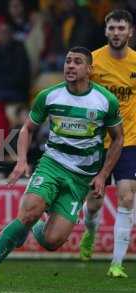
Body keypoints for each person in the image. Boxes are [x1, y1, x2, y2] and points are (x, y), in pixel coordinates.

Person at [0, 46, 123, 288]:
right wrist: (22, 161)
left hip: (81, 178)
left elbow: (118, 139)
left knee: (52, 241)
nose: (70, 66)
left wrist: (103, 174)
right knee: (28, 212)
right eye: (67, 61)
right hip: (52, 165)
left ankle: (35, 227)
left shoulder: (106, 101)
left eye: (76, 62)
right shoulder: (49, 96)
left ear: (89, 69)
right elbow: (27, 129)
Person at [79, 9, 136, 278]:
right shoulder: (94, 63)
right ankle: (90, 232)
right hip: (98, 142)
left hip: (129, 141)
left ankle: (116, 263)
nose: (116, 33)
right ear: (106, 31)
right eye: (112, 28)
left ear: (130, 32)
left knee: (127, 196)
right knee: (93, 202)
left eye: (121, 28)